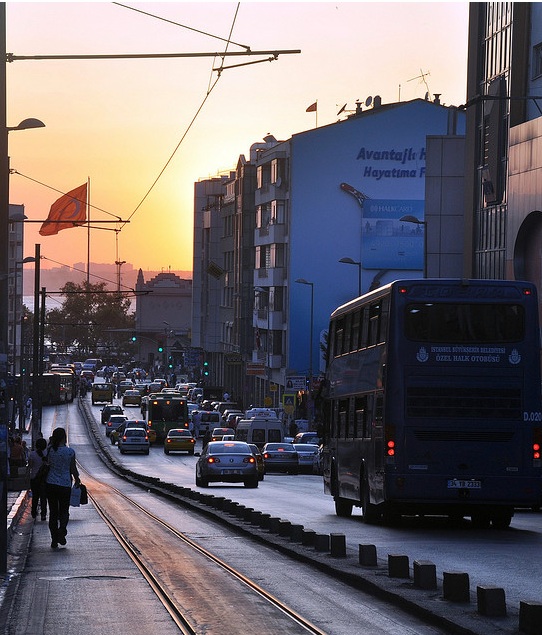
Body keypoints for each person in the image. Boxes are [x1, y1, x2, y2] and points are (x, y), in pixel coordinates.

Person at [45, 427, 80, 549]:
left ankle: (54, 539)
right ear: (64, 437)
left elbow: (46, 464)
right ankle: (62, 530)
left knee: (53, 513)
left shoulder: (50, 450)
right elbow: (73, 469)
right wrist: (77, 479)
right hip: (65, 485)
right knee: (64, 511)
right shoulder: (70, 452)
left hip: (51, 484)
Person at [28, 437, 48, 521]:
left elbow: (30, 466)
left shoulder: (32, 454)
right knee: (44, 497)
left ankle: (33, 512)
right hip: (44, 478)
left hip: (34, 478)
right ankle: (43, 514)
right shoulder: (47, 453)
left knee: (35, 496)